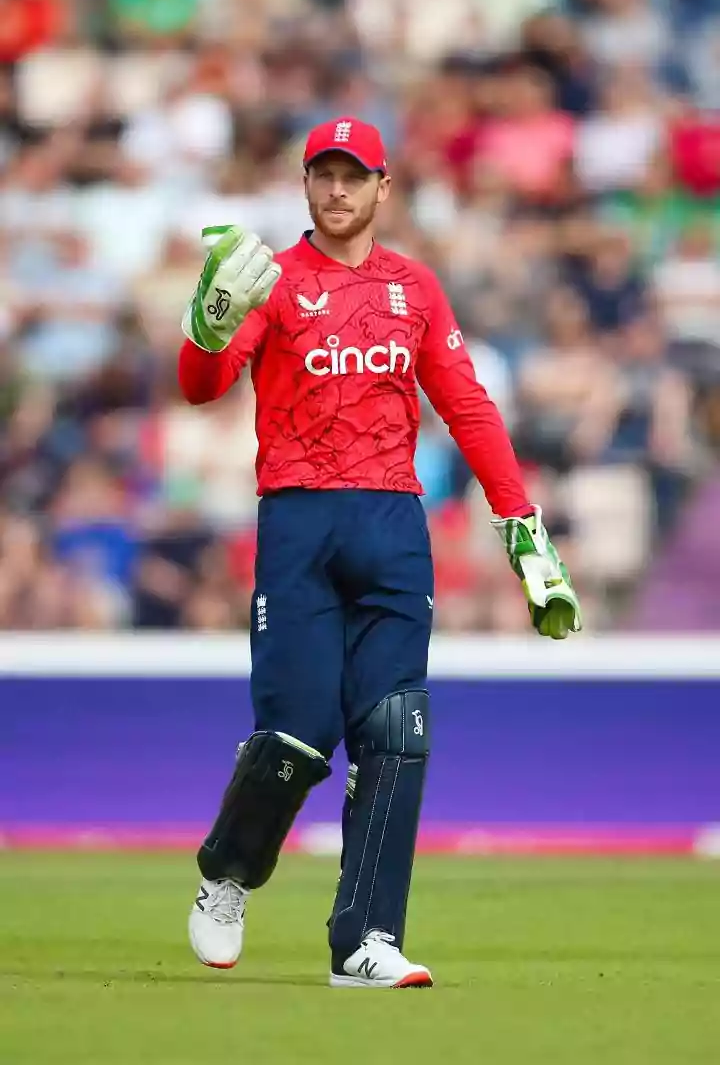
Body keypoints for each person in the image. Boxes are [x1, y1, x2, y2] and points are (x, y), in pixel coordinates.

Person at [177, 116, 582, 989]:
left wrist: (522, 528)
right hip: (298, 524)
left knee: (397, 734)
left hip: (396, 526)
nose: (337, 191)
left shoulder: (417, 290)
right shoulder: (272, 282)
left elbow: (466, 408)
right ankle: (227, 875)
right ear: (306, 184)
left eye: (353, 176)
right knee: (297, 733)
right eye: (323, 175)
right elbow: (200, 386)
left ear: (382, 188)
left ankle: (366, 942)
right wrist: (209, 327)